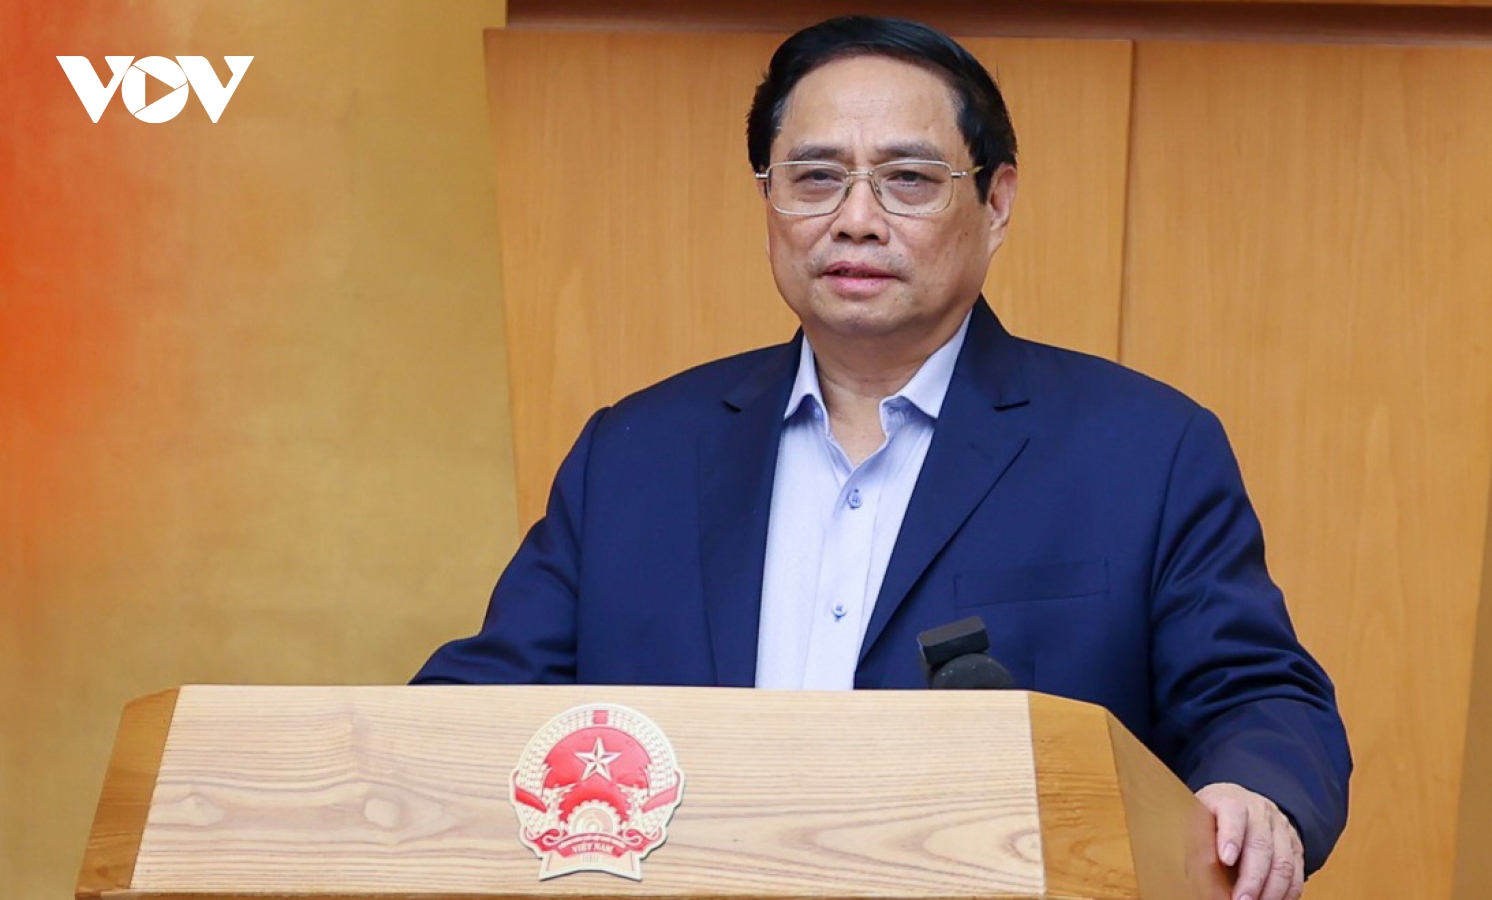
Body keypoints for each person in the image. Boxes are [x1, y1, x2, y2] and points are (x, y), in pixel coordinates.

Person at [415, 15, 1350, 900]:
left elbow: (1258, 696)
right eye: (816, 177)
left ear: (996, 203)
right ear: (768, 198)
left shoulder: (1142, 450)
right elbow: (476, 716)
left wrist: (1254, 793)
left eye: (908, 179)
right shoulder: (635, 456)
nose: (856, 219)